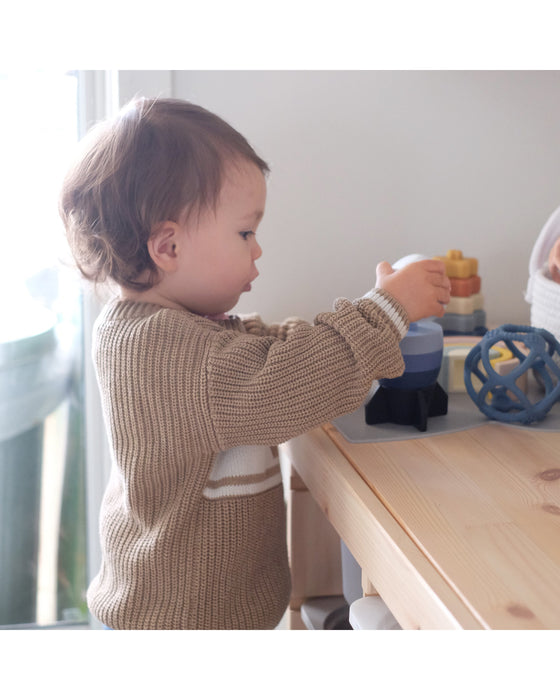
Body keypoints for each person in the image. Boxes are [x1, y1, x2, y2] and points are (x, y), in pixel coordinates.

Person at [59, 97, 450, 629]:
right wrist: (386, 311)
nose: (258, 249)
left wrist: (372, 319)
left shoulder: (177, 331)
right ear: (168, 247)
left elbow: (267, 349)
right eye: (246, 232)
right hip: (179, 628)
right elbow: (279, 382)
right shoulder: (164, 352)